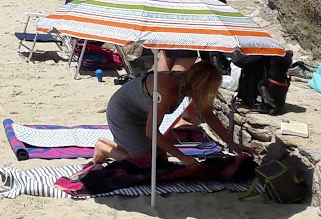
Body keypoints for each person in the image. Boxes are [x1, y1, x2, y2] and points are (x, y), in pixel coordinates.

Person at [92, 57, 252, 170]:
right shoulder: (167, 87)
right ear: (200, 84)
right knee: (145, 165)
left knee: (161, 161)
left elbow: (209, 116)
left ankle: (115, 146)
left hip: (143, 114)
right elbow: (151, 132)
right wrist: (183, 157)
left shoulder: (191, 88)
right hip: (124, 113)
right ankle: (104, 149)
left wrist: (232, 144)